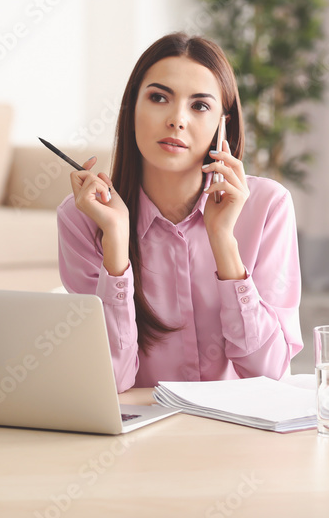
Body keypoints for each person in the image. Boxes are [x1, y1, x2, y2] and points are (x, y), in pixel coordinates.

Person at [56, 32, 302, 393]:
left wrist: (223, 242)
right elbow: (110, 382)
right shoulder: (83, 218)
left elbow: (268, 374)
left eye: (199, 106)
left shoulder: (268, 206)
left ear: (224, 125)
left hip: (239, 432)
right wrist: (116, 246)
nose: (176, 119)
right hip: (142, 436)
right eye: (158, 98)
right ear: (131, 109)